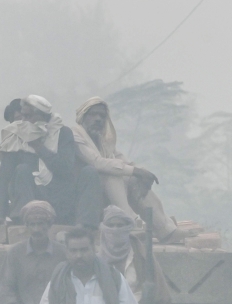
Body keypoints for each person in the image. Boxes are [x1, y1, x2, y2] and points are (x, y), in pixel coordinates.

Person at [73, 97, 187, 242]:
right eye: (93, 114)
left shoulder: (102, 140)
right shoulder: (75, 135)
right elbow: (97, 163)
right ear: (83, 117)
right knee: (113, 174)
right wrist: (135, 171)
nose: (98, 119)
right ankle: (130, 225)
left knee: (134, 178)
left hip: (108, 198)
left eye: (102, 116)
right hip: (86, 199)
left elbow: (123, 161)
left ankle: (165, 230)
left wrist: (140, 173)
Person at [0, 95, 102, 229]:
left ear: (42, 116)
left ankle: (85, 228)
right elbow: (4, 176)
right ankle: (25, 224)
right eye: (22, 116)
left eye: (28, 116)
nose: (24, 121)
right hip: (31, 202)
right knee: (22, 170)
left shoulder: (62, 133)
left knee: (90, 172)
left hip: (63, 199)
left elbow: (64, 169)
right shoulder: (18, 135)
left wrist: (39, 147)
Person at [35, 226, 141, 304]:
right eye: (73, 251)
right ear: (67, 253)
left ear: (94, 249)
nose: (79, 255)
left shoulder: (114, 277)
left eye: (84, 250)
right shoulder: (57, 281)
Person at [0, 200, 67, 304]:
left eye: (41, 224)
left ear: (49, 225)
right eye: (32, 225)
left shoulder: (62, 253)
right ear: (26, 226)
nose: (36, 229)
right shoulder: (15, 253)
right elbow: (6, 290)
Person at [97, 205, 171, 304]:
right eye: (111, 225)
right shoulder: (96, 260)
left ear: (127, 228)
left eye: (120, 225)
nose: (115, 229)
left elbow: (161, 294)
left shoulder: (141, 255)